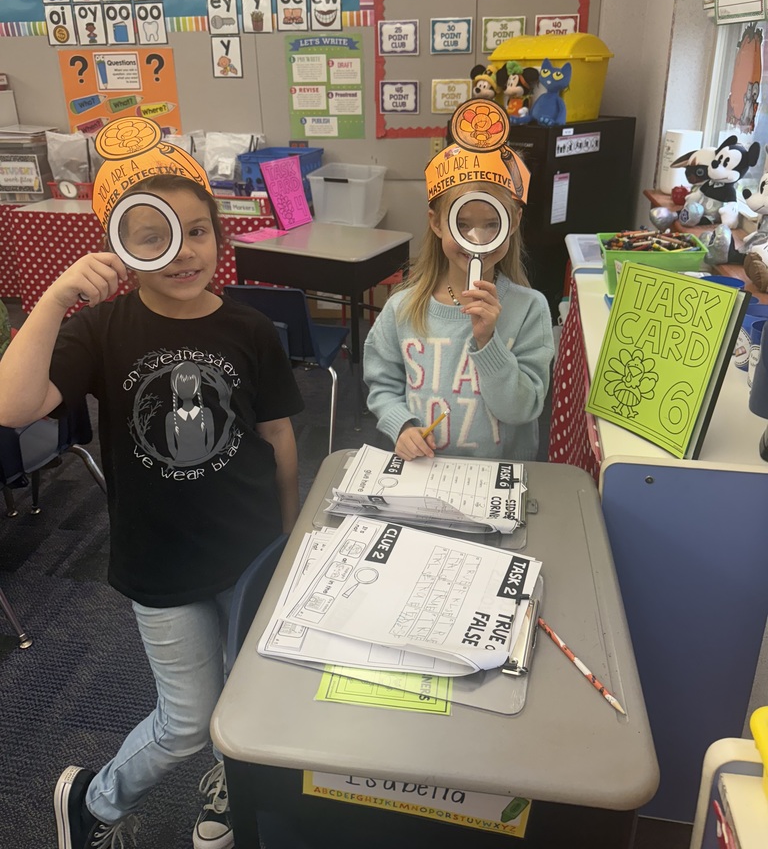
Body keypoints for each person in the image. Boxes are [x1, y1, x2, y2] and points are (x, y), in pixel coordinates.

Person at [0, 172, 304, 849]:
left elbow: (279, 438)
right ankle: (92, 801)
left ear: (218, 238)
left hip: (250, 555)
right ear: (121, 248)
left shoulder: (249, 328)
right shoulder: (105, 328)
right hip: (159, 564)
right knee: (188, 720)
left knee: (252, 696)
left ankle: (229, 782)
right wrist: (53, 299)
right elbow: (12, 407)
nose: (181, 251)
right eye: (154, 237)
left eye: (196, 231)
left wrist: (289, 542)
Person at [364, 100, 554, 463]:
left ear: (512, 224)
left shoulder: (531, 309)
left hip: (499, 477)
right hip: (426, 469)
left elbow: (524, 408)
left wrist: (487, 341)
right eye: (462, 225)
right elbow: (383, 384)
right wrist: (401, 425)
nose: (477, 239)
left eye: (492, 224)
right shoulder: (402, 308)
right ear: (437, 223)